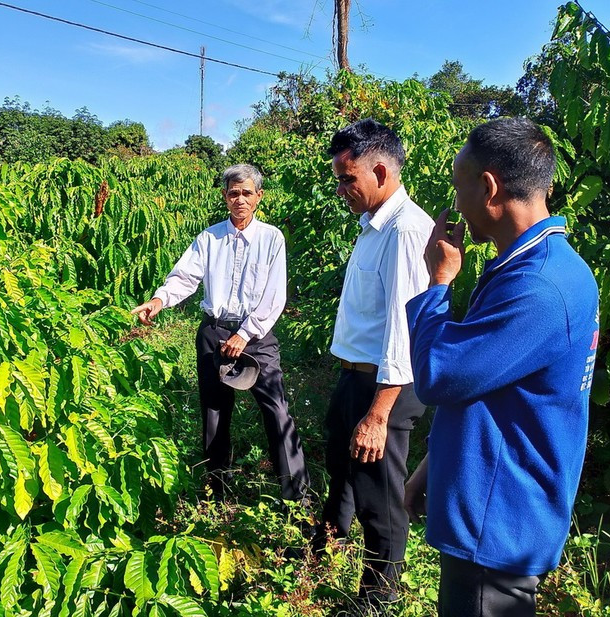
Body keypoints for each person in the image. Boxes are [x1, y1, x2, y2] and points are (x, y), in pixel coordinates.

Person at [404, 117, 599, 617]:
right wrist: (431, 470)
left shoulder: (538, 287)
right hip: (495, 511)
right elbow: (488, 388)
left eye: (458, 187)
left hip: (495, 527)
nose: (455, 204)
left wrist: (438, 283)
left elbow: (439, 376)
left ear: (489, 187)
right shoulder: (536, 266)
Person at [131, 164, 310, 502]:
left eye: (246, 193)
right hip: (214, 332)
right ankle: (216, 493)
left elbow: (275, 296)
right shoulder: (210, 238)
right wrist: (158, 301)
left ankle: (297, 499)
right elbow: (184, 277)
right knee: (214, 412)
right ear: (225, 197)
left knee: (277, 411)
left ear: (258, 196)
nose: (239, 199)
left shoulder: (271, 238)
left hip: (256, 337)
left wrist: (246, 333)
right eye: (233, 193)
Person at [316, 119, 433, 603]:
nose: (340, 189)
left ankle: (378, 599)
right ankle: (323, 553)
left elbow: (404, 329)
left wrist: (378, 414)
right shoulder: (374, 227)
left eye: (348, 179)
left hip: (386, 388)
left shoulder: (404, 231)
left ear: (380, 172)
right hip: (357, 377)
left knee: (379, 499)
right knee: (342, 474)